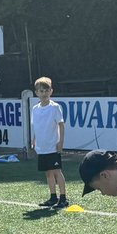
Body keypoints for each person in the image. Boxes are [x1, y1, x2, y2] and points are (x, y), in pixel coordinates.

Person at [31, 77, 67, 207]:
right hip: (42, 147)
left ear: (51, 91)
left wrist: (60, 142)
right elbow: (36, 126)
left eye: (47, 90)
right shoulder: (35, 109)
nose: (44, 93)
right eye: (41, 91)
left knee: (57, 171)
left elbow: (61, 125)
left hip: (53, 146)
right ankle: (53, 197)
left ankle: (63, 198)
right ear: (37, 93)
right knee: (48, 173)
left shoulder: (55, 107)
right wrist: (34, 140)